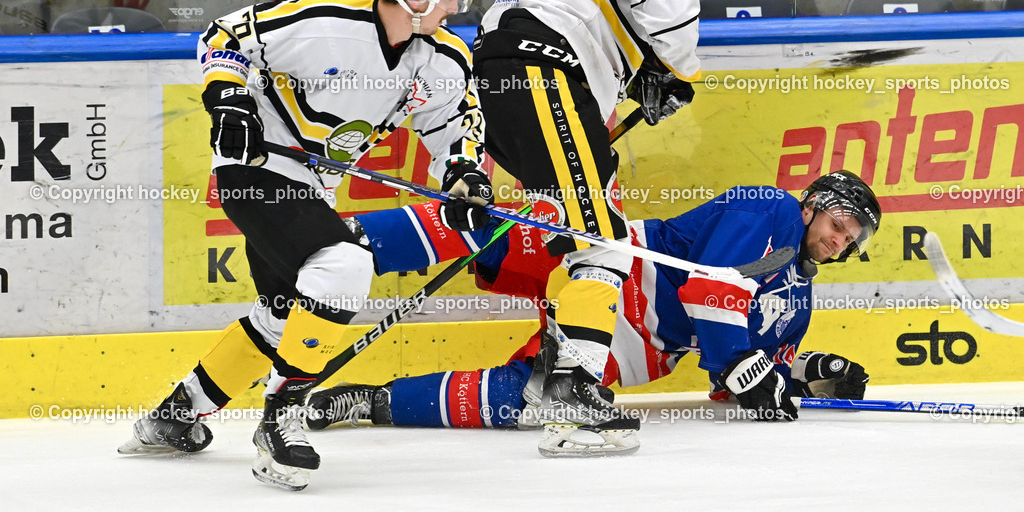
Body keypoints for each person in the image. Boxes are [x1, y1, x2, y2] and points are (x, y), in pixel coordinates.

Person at [118, 0, 491, 492]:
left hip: (314, 184)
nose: (454, 4)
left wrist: (464, 179)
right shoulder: (324, 20)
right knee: (344, 264)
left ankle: (174, 418)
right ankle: (282, 415)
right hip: (254, 165)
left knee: (285, 315)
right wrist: (230, 102)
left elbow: (452, 130)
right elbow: (225, 38)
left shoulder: (445, 60)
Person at [304, 171, 879, 452]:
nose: (840, 240)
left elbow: (749, 379)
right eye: (837, 224)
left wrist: (812, 375)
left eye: (851, 237)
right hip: (618, 262)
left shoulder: (798, 300)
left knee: (527, 399)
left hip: (641, 344)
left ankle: (368, 399)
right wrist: (750, 375)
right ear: (812, 208)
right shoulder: (773, 208)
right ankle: (349, 240)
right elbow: (710, 295)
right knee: (490, 230)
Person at [471, 0, 701, 456]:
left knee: (584, 231)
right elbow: (676, 8)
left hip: (506, 81)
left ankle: (560, 371)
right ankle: (573, 391)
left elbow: (588, 21)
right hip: (543, 77)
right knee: (603, 241)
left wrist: (639, 74)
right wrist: (673, 73)